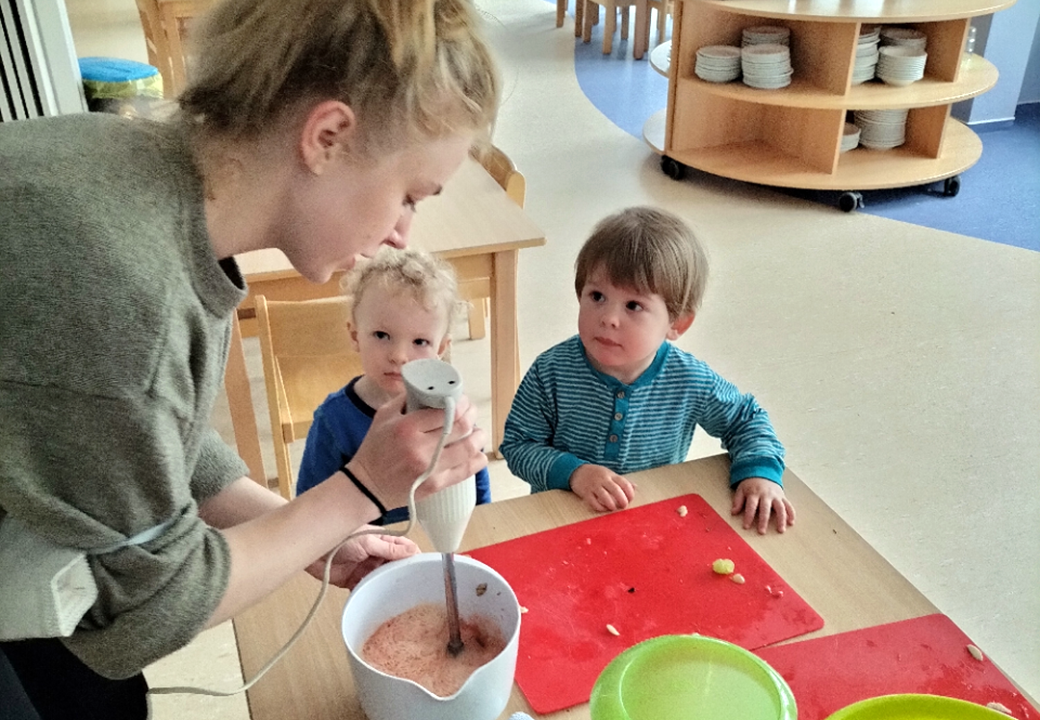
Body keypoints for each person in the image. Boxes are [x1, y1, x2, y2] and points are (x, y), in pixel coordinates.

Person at [0, 0, 497, 717]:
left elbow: (143, 431)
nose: (400, 235)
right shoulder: (119, 280)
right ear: (327, 136)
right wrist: (356, 491)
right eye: (408, 196)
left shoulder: (140, 174)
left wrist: (319, 538)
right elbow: (145, 613)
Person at [500, 206, 795, 534]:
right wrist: (575, 474)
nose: (609, 318)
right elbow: (517, 445)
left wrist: (759, 474)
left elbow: (747, 420)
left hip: (651, 524)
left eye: (633, 306)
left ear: (676, 324)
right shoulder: (551, 371)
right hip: (561, 519)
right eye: (597, 296)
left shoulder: (688, 378)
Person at [296, 246, 492, 520]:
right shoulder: (333, 420)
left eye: (420, 342)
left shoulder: (450, 414)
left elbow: (473, 480)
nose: (399, 356)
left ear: (441, 348)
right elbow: (308, 508)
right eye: (381, 335)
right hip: (367, 556)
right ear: (355, 336)